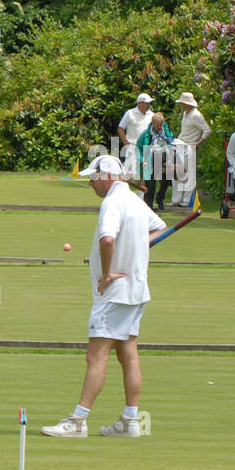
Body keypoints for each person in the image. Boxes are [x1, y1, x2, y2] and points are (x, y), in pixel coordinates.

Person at [41, 154, 166, 439]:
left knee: (95, 356)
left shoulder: (112, 202)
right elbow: (158, 228)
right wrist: (137, 247)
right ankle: (129, 422)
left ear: (107, 176)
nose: (91, 183)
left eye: (93, 178)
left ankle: (78, 421)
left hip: (115, 293)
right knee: (128, 354)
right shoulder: (136, 200)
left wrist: (107, 273)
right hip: (136, 291)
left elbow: (107, 239)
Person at [173, 92, 211, 206]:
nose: (180, 105)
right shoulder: (185, 113)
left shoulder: (196, 115)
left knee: (188, 175)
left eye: (182, 103)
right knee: (177, 172)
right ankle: (176, 200)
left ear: (187, 104)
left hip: (189, 146)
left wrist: (197, 144)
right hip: (180, 144)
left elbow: (207, 130)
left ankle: (186, 201)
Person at [135, 112, 174, 210]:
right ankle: (149, 206)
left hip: (164, 157)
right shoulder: (146, 134)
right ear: (153, 124)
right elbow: (138, 149)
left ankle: (160, 198)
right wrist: (142, 160)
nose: (161, 127)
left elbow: (172, 141)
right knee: (151, 184)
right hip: (150, 159)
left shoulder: (166, 132)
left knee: (167, 178)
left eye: (162, 124)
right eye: (159, 125)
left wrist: (172, 146)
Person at [117, 93, 154, 177]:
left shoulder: (152, 115)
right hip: (132, 146)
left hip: (147, 147)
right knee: (129, 172)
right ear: (140, 103)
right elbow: (121, 128)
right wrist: (125, 142)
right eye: (146, 103)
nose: (148, 105)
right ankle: (124, 187)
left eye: (149, 103)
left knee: (145, 172)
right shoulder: (129, 113)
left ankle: (143, 189)